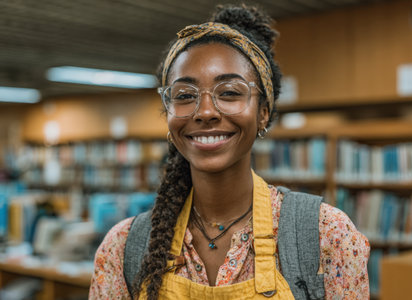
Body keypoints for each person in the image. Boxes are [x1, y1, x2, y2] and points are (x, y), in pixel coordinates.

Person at [89, 4, 370, 300]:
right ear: (168, 113)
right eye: (185, 96)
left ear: (263, 112)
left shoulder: (326, 235)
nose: (206, 111)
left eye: (230, 93)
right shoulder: (123, 247)